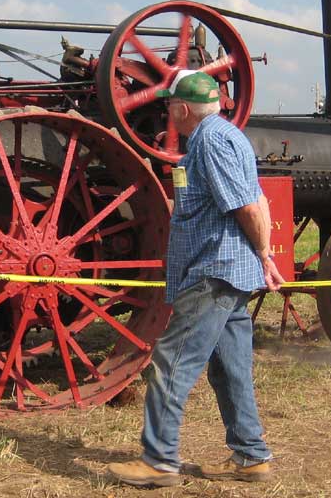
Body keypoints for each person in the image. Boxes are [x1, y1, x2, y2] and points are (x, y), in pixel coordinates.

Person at [107, 70, 285, 487]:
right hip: (228, 273)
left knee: (171, 361)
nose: (167, 111)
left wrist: (263, 253)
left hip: (213, 272)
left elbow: (246, 205)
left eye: (169, 104)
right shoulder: (230, 135)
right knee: (229, 367)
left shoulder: (209, 140)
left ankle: (158, 460)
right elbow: (257, 196)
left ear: (182, 109)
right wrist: (264, 255)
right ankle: (251, 455)